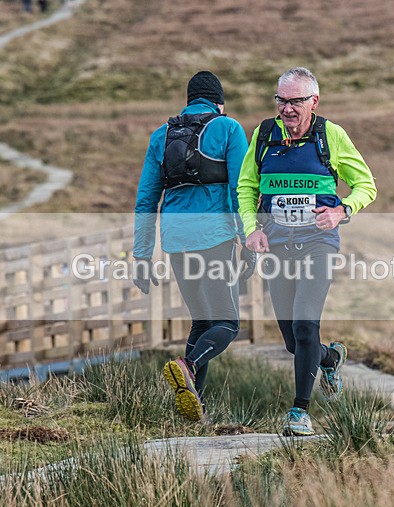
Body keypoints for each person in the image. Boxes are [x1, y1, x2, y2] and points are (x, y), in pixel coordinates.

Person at [237, 67, 377, 436]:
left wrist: (341, 210)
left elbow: (366, 184)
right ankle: (330, 358)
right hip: (278, 246)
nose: (286, 108)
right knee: (293, 341)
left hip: (318, 244)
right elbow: (247, 187)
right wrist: (252, 230)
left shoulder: (331, 136)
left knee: (304, 325)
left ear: (313, 102)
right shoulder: (264, 135)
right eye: (281, 100)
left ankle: (299, 412)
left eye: (295, 101)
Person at [133, 71, 250, 422]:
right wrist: (249, 240)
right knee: (227, 323)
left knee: (202, 320)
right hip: (214, 237)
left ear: (189, 100)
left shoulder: (161, 136)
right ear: (219, 101)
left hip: (175, 240)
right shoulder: (228, 129)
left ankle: (193, 408)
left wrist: (141, 255)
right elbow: (239, 190)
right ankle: (189, 364)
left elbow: (146, 199)